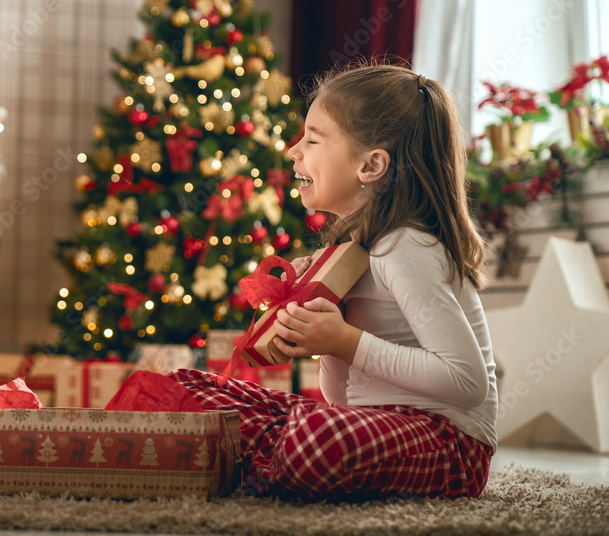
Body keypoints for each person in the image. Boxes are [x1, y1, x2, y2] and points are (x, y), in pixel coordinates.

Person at [172, 64, 497, 501]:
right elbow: (340, 400)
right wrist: (326, 331)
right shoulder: (349, 251)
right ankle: (252, 454)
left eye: (312, 139)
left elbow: (467, 381)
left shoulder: (405, 246)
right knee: (186, 388)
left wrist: (345, 340)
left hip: (449, 444)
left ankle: (241, 459)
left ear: (371, 165)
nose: (293, 151)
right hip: (372, 427)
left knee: (315, 441)